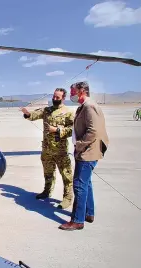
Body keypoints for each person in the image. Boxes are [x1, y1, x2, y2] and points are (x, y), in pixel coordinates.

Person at [59, 81, 109, 231]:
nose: (71, 94)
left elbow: (93, 131)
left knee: (79, 185)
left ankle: (77, 220)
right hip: (87, 150)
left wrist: (79, 145)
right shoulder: (85, 106)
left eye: (73, 91)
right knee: (86, 183)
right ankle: (88, 213)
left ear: (82, 91)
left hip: (87, 152)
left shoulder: (89, 106)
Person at [21, 88, 74, 209]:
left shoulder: (68, 112)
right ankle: (47, 191)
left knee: (66, 175)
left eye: (57, 97)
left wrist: (57, 130)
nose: (55, 99)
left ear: (63, 98)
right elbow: (34, 115)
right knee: (48, 173)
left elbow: (73, 130)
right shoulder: (47, 110)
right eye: (54, 97)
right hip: (47, 150)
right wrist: (27, 113)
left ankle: (67, 198)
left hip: (60, 151)